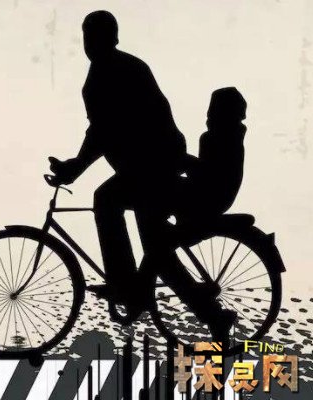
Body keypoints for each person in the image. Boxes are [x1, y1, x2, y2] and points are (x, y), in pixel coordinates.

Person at [49, 10, 236, 340]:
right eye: (88, 37)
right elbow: (101, 132)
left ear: (110, 39)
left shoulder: (108, 76)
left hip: (151, 167)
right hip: (153, 164)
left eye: (94, 37)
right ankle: (202, 312)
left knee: (108, 202)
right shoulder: (122, 70)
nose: (90, 43)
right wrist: (75, 165)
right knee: (155, 249)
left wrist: (75, 168)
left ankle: (126, 286)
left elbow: (103, 132)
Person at [178, 87, 247, 221]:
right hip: (221, 199)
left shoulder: (214, 139)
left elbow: (207, 176)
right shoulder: (233, 138)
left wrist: (184, 161)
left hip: (210, 196)